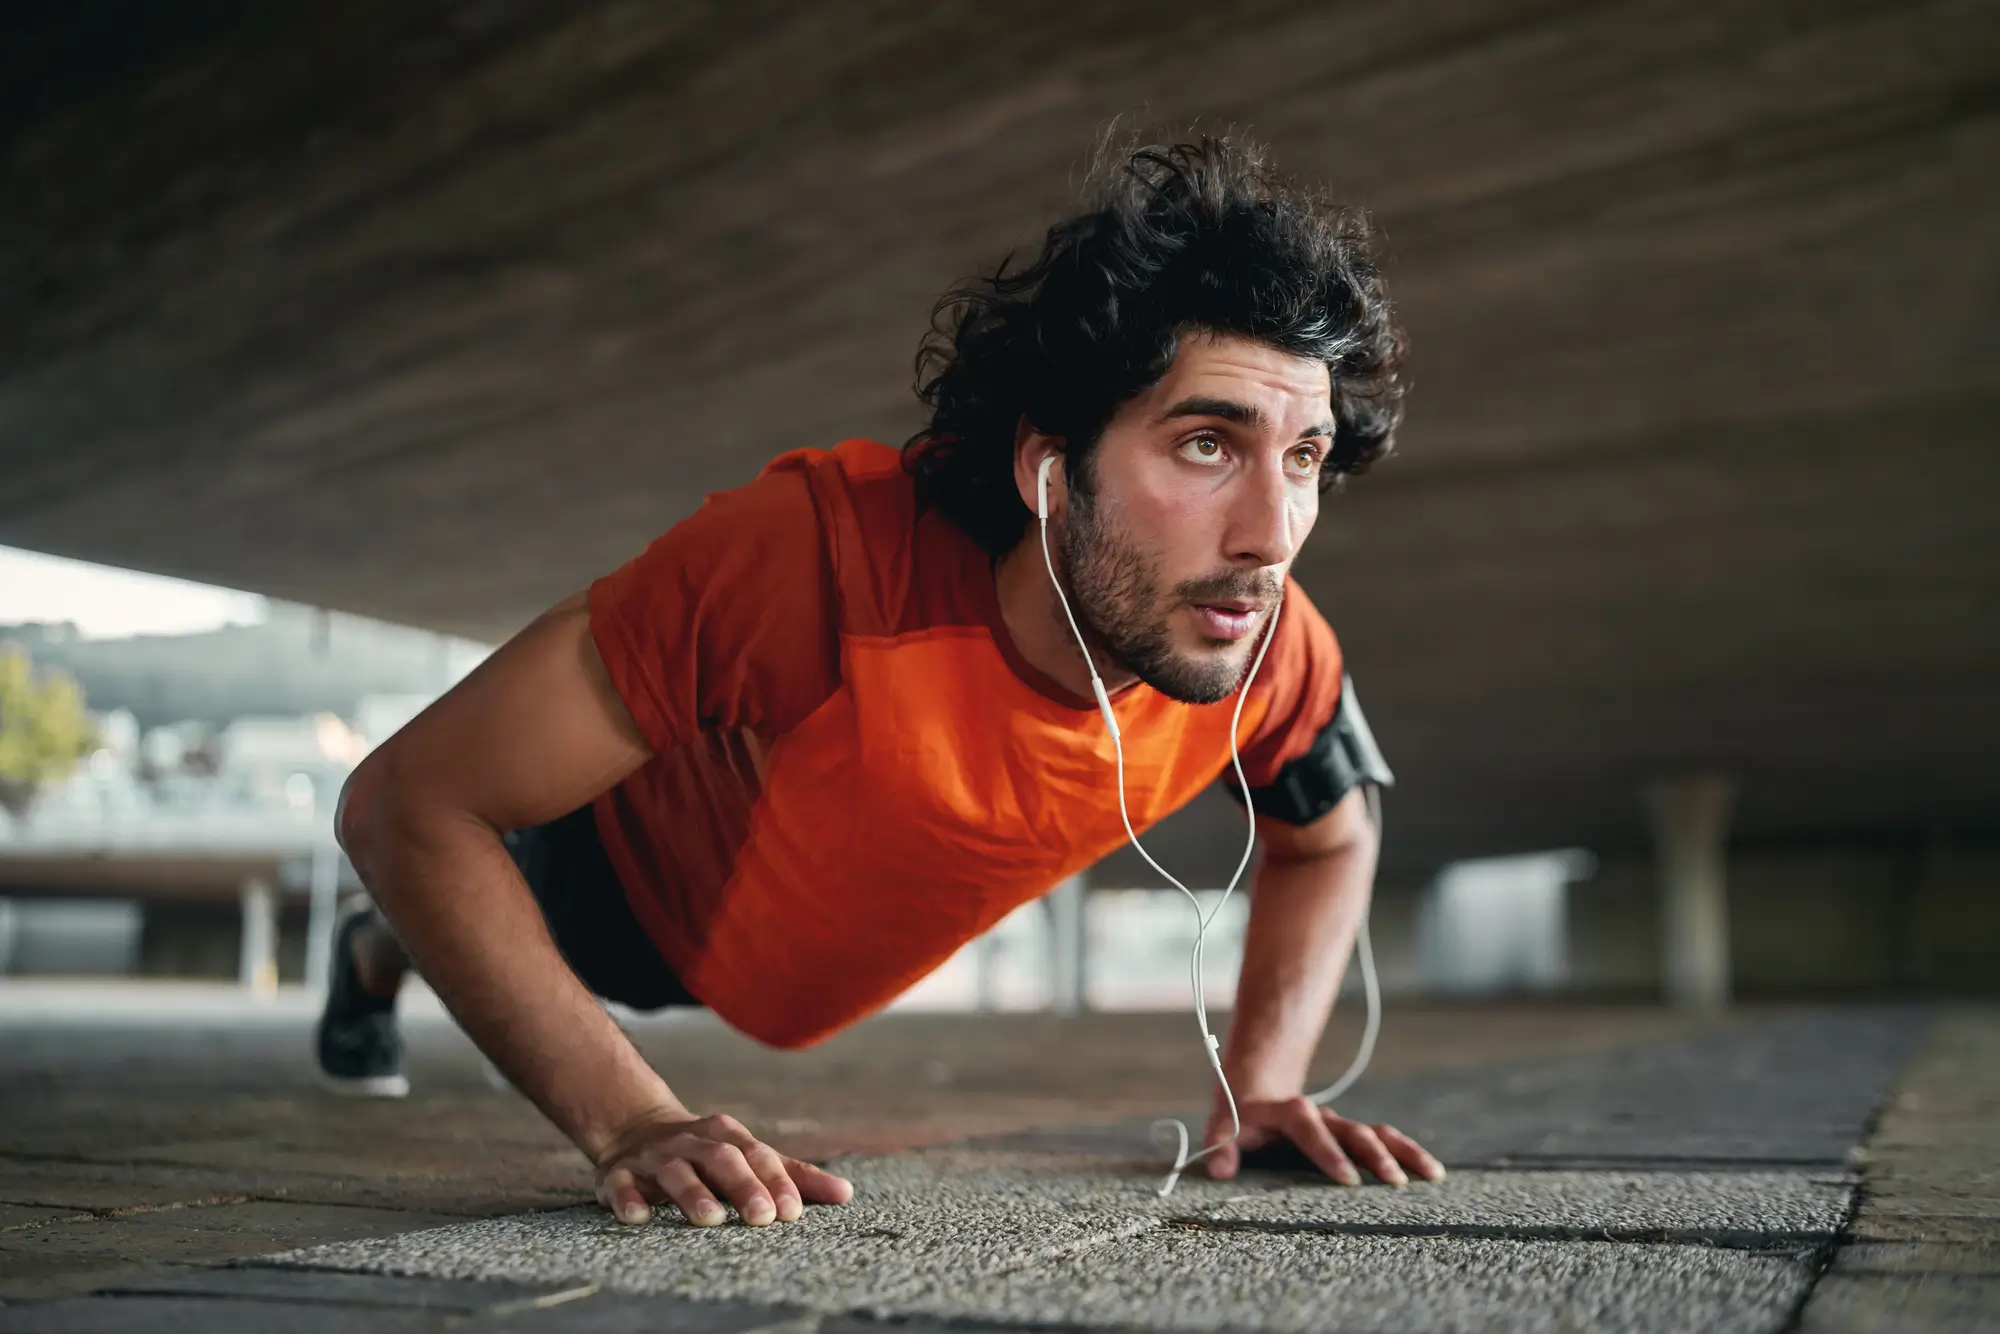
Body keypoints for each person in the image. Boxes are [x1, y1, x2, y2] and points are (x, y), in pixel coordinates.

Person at [318, 131, 1446, 1231]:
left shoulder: (1263, 642)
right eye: (1206, 442)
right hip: (611, 885)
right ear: (1049, 464)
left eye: (1300, 457)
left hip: (790, 972)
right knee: (442, 900)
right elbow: (408, 801)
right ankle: (378, 946)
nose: (1270, 534)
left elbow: (1330, 836)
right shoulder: (807, 561)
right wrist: (633, 1122)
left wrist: (1256, 1087)